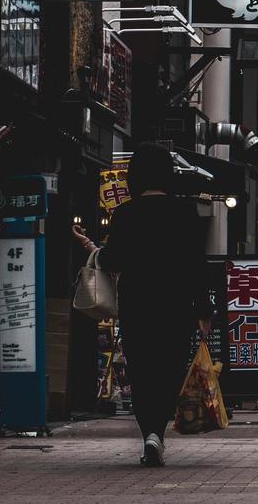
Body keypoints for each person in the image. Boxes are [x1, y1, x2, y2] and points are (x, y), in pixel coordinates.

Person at [72, 143, 207, 467]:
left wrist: (91, 247)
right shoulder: (185, 213)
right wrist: (204, 311)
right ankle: (157, 433)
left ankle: (150, 433)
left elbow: (114, 258)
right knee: (170, 370)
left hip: (138, 306)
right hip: (177, 308)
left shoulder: (126, 214)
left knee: (143, 372)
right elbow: (196, 266)